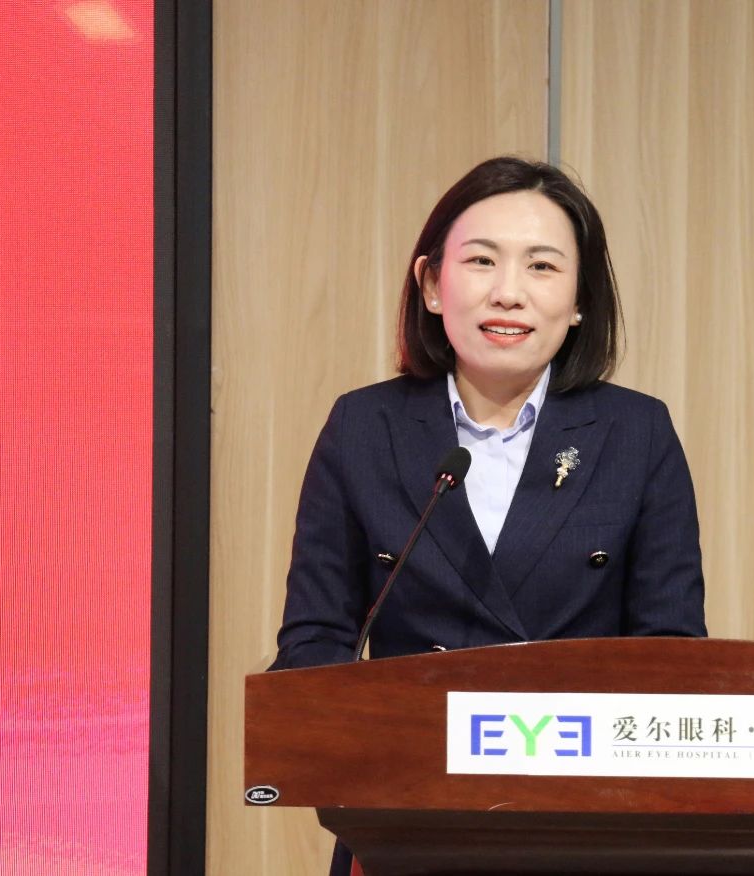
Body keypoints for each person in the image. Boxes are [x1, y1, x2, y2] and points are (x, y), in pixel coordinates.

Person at [269, 155, 706, 875]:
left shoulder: (636, 433)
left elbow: (671, 655)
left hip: (585, 827)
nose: (509, 292)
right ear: (430, 284)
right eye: (480, 260)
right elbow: (316, 639)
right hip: (405, 821)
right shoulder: (364, 427)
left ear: (579, 301)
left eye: (542, 267)